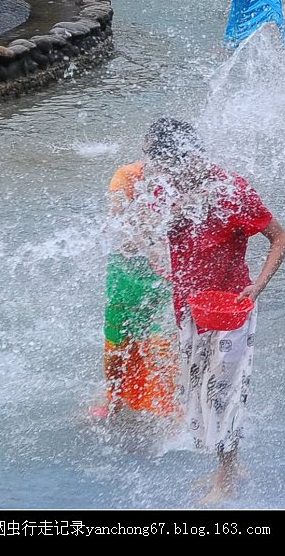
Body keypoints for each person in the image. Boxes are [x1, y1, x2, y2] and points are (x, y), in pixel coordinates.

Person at [143, 117, 285, 503]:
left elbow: (280, 237)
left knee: (223, 389)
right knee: (197, 391)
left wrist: (257, 286)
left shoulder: (231, 191)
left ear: (187, 157)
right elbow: (147, 238)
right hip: (189, 309)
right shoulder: (164, 193)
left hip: (232, 308)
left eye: (163, 164)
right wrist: (172, 218)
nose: (159, 172)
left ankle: (224, 476)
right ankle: (232, 462)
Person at [100, 160, 176, 420]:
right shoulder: (127, 176)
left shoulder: (188, 177)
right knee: (118, 343)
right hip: (126, 273)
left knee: (162, 344)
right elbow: (116, 225)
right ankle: (113, 403)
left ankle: (170, 412)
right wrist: (149, 241)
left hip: (165, 275)